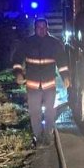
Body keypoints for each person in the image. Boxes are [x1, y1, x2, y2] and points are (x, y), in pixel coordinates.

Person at [12, 17, 70, 146]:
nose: (42, 30)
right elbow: (17, 60)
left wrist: (65, 76)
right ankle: (38, 136)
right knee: (35, 112)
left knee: (50, 111)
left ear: (47, 28)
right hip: (32, 84)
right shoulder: (27, 43)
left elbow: (62, 63)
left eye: (44, 27)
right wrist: (18, 74)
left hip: (49, 84)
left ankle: (48, 134)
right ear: (35, 28)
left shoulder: (55, 44)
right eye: (39, 27)